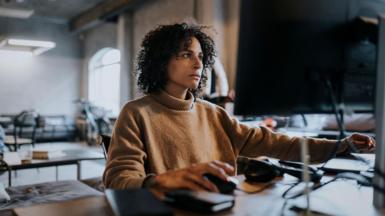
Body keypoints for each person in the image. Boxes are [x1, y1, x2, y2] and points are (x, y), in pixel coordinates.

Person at [103, 23, 375, 192]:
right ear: (161, 61)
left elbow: (279, 144)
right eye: (186, 55)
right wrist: (159, 181)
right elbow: (118, 180)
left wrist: (341, 145)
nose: (198, 64)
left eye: (200, 56)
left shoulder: (214, 114)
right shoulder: (136, 113)